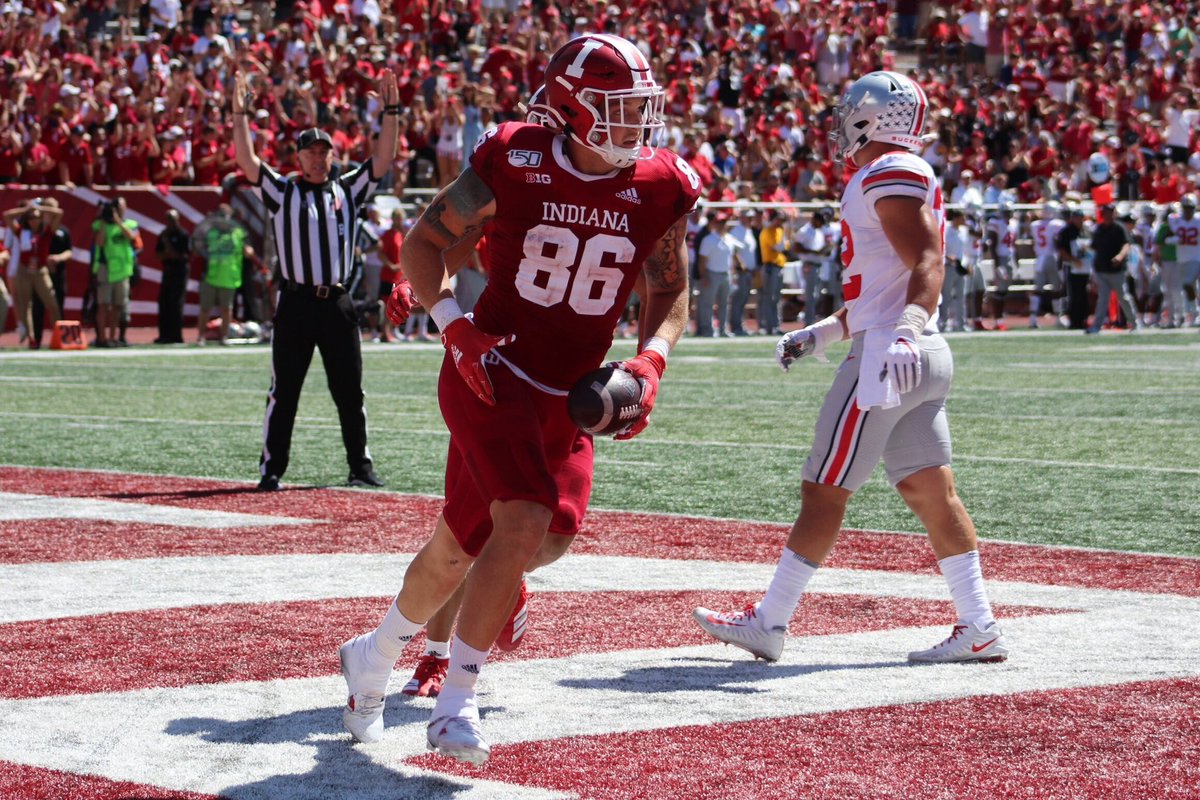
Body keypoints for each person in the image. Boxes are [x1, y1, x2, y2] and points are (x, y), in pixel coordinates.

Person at [337, 33, 700, 765]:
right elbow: (422, 246)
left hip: (570, 394)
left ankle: (372, 657)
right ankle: (456, 704)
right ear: (569, 111)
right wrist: (454, 327)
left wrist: (653, 360)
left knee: (475, 549)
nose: (637, 125)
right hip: (489, 369)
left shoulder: (663, 184)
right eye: (617, 109)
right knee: (525, 520)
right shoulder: (515, 159)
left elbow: (669, 289)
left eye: (639, 108)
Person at [692, 71, 1008, 666]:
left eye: (847, 111)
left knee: (824, 489)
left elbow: (928, 260)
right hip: (914, 350)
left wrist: (905, 329)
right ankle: (979, 625)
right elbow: (882, 285)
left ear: (870, 117)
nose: (838, 121)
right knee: (930, 491)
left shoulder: (887, 171)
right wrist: (823, 332)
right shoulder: (888, 174)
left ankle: (771, 621)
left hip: (892, 356)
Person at [231, 67, 399, 491]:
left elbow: (382, 160)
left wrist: (391, 111)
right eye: (310, 152)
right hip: (297, 303)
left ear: (330, 155)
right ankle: (272, 468)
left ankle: (359, 465)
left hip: (337, 303)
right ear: (299, 157)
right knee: (283, 391)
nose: (318, 157)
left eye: (323, 151)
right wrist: (238, 116)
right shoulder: (283, 192)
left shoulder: (346, 189)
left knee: (350, 391)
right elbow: (249, 163)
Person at [2, 198, 63, 350]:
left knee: (52, 303)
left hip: (40, 271)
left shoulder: (47, 231)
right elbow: (7, 215)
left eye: (36, 217)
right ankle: (31, 338)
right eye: (31, 218)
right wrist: (26, 210)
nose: (34, 220)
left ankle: (59, 335)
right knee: (25, 305)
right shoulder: (22, 232)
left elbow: (59, 213)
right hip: (24, 271)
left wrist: (40, 208)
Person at [192, 204, 248, 345]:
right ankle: (201, 337)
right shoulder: (210, 233)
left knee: (226, 309)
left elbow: (248, 250)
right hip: (211, 275)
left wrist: (249, 251)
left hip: (229, 277)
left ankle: (224, 337)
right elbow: (198, 248)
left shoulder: (238, 233)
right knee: (205, 308)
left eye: (226, 216)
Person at [91, 197, 141, 348]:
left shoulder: (130, 224)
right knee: (103, 304)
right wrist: (104, 220)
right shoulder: (99, 224)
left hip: (122, 270)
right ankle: (102, 338)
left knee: (118, 305)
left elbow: (132, 238)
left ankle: (113, 337)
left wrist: (118, 220)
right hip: (105, 268)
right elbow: (99, 242)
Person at [1086, 204, 1138, 333]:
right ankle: (1096, 326)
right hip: (1101, 268)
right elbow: (1094, 247)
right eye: (1106, 212)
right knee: (1102, 299)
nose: (1108, 215)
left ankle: (1135, 323)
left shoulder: (1119, 228)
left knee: (1124, 297)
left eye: (1110, 212)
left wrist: (1120, 257)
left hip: (1117, 270)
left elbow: (1126, 244)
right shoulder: (1099, 228)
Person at [32, 198, 71, 347]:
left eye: (51, 209)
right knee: (38, 307)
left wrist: (58, 258)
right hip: (41, 272)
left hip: (58, 273)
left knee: (58, 306)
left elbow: (69, 251)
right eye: (46, 208)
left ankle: (61, 338)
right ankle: (36, 340)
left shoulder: (63, 230)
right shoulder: (38, 229)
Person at [155, 209, 191, 344]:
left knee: (176, 304)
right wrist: (168, 254)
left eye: (173, 219)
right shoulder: (163, 234)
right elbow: (159, 254)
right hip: (167, 270)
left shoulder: (182, 234)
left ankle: (176, 335)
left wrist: (169, 249)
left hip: (179, 272)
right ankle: (164, 335)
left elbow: (181, 255)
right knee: (164, 302)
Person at [1028, 201, 1066, 328]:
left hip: (1040, 258)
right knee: (1056, 290)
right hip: (1052, 257)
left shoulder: (1035, 225)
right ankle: (1058, 318)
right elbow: (1057, 241)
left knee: (1038, 290)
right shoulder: (1057, 224)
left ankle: (1033, 319)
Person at [1057, 207, 1091, 330]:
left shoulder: (1086, 231)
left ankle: (1084, 319)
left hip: (1085, 266)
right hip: (1071, 266)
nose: (1079, 220)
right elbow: (1061, 250)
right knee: (1073, 294)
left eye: (1080, 218)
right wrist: (1073, 260)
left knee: (1084, 294)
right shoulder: (1066, 232)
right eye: (1076, 217)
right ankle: (1074, 321)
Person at [758, 210, 788, 335]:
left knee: (776, 298)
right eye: (778, 219)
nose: (781, 222)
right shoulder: (767, 231)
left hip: (779, 266)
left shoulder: (779, 231)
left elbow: (786, 246)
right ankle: (769, 325)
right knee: (770, 297)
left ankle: (776, 324)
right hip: (770, 267)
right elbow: (779, 247)